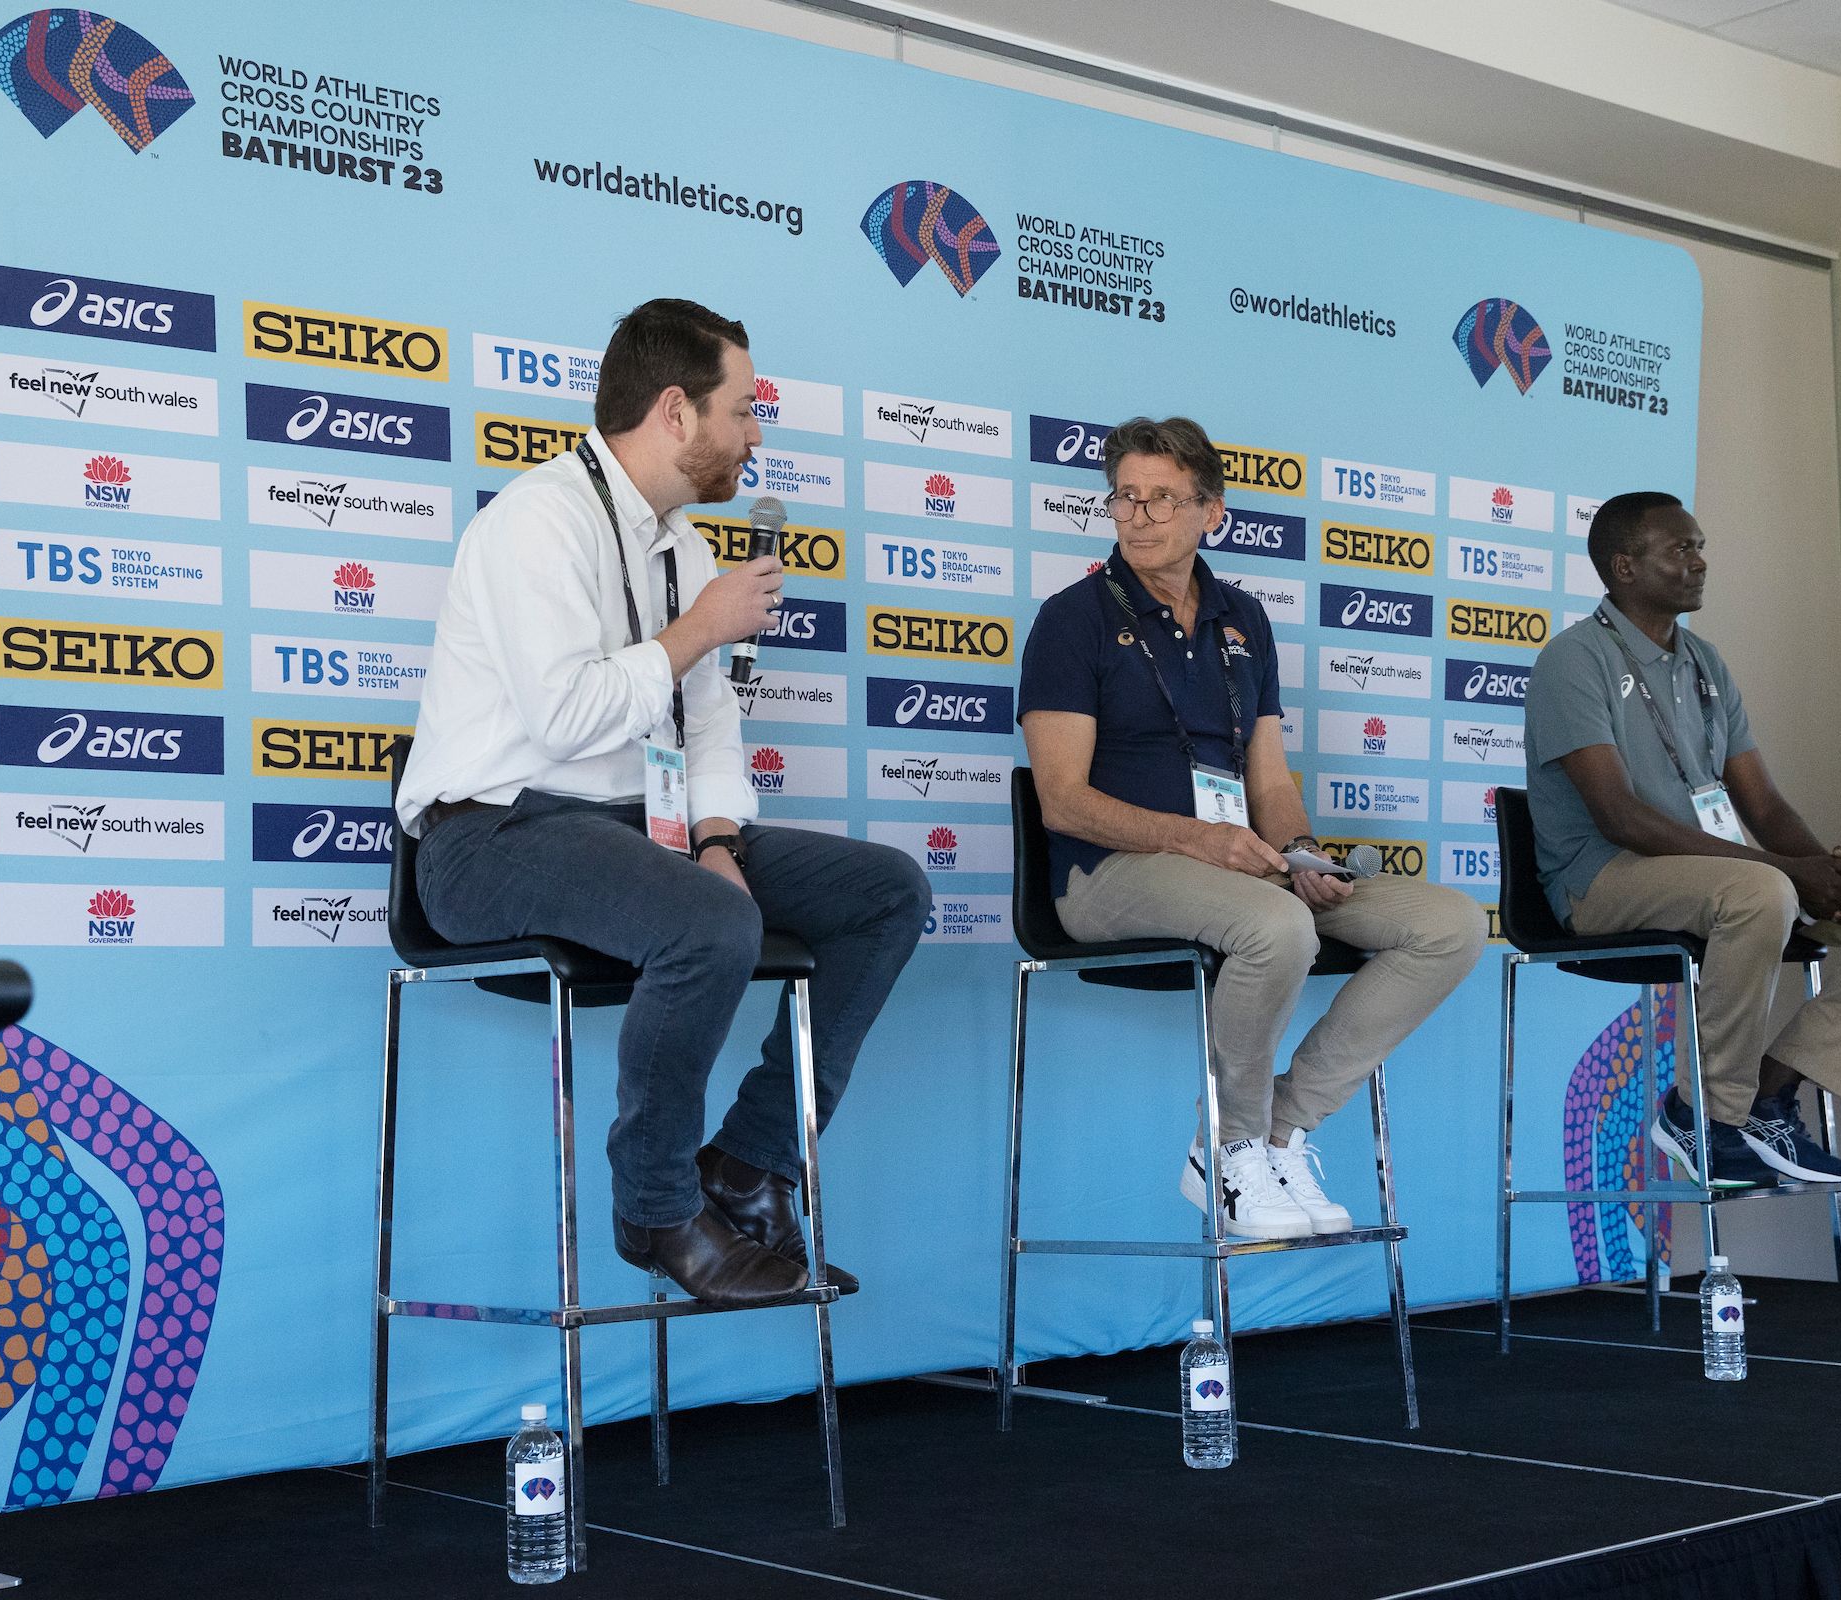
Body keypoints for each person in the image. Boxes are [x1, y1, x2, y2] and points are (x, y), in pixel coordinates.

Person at [397, 298, 930, 1307]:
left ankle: (752, 1165)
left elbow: (709, 721)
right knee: (711, 921)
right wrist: (699, 630)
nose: (756, 435)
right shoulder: (536, 523)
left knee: (888, 891)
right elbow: (562, 718)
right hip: (491, 837)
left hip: (643, 830)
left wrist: (720, 834)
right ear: (677, 412)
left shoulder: (683, 548)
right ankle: (657, 1208)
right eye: (744, 410)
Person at [1018, 417, 1487, 1240]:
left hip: (1243, 865)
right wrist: (1202, 842)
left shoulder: (1245, 618)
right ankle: (1227, 1149)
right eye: (1125, 496)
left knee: (1447, 924)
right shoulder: (1073, 618)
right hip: (1108, 873)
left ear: (1212, 513)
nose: (1140, 515)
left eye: (1163, 498)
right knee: (1275, 925)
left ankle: (1277, 1129)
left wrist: (1301, 855)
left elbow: (1268, 779)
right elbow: (1062, 801)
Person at [1523, 491, 1841, 1188]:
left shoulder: (1704, 662)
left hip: (1721, 877)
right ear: (1624, 567)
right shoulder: (1574, 661)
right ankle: (1707, 1120)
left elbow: (1761, 800)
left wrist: (1822, 870)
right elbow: (1618, 816)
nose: (1699, 562)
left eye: (1700, 546)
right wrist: (1785, 871)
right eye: (1681, 549)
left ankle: (1769, 1090)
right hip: (1603, 880)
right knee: (1761, 890)